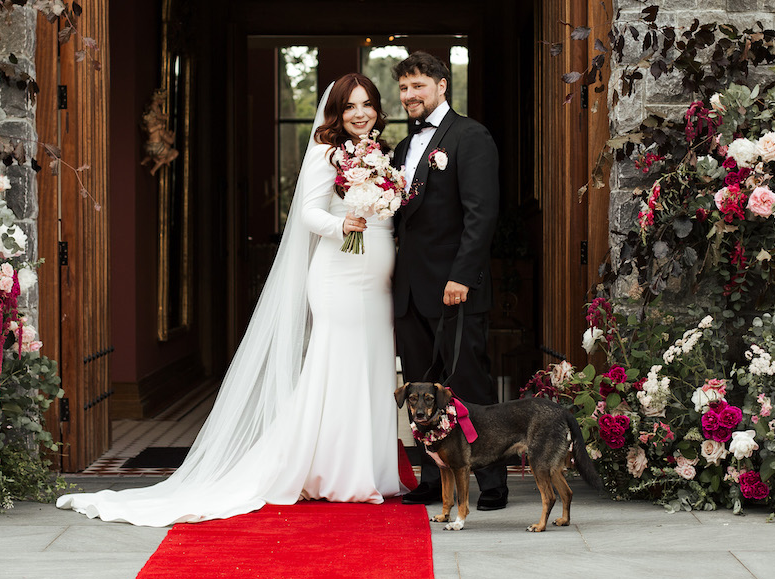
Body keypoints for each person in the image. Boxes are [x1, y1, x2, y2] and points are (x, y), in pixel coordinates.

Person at [57, 74, 405, 525]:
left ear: (378, 109)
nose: (360, 114)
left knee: (373, 364)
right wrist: (343, 226)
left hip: (377, 278)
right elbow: (307, 213)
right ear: (336, 112)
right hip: (339, 272)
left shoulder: (381, 153)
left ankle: (372, 469)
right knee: (336, 365)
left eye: (368, 105)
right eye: (350, 106)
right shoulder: (325, 153)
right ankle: (333, 472)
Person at [390, 52, 507, 510]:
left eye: (418, 85)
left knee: (468, 384)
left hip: (454, 287)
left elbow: (482, 212)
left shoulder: (470, 136)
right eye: (403, 88)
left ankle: (492, 483)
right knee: (422, 388)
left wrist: (462, 275)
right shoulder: (402, 147)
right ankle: (431, 478)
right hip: (410, 291)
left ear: (441, 85)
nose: (409, 96)